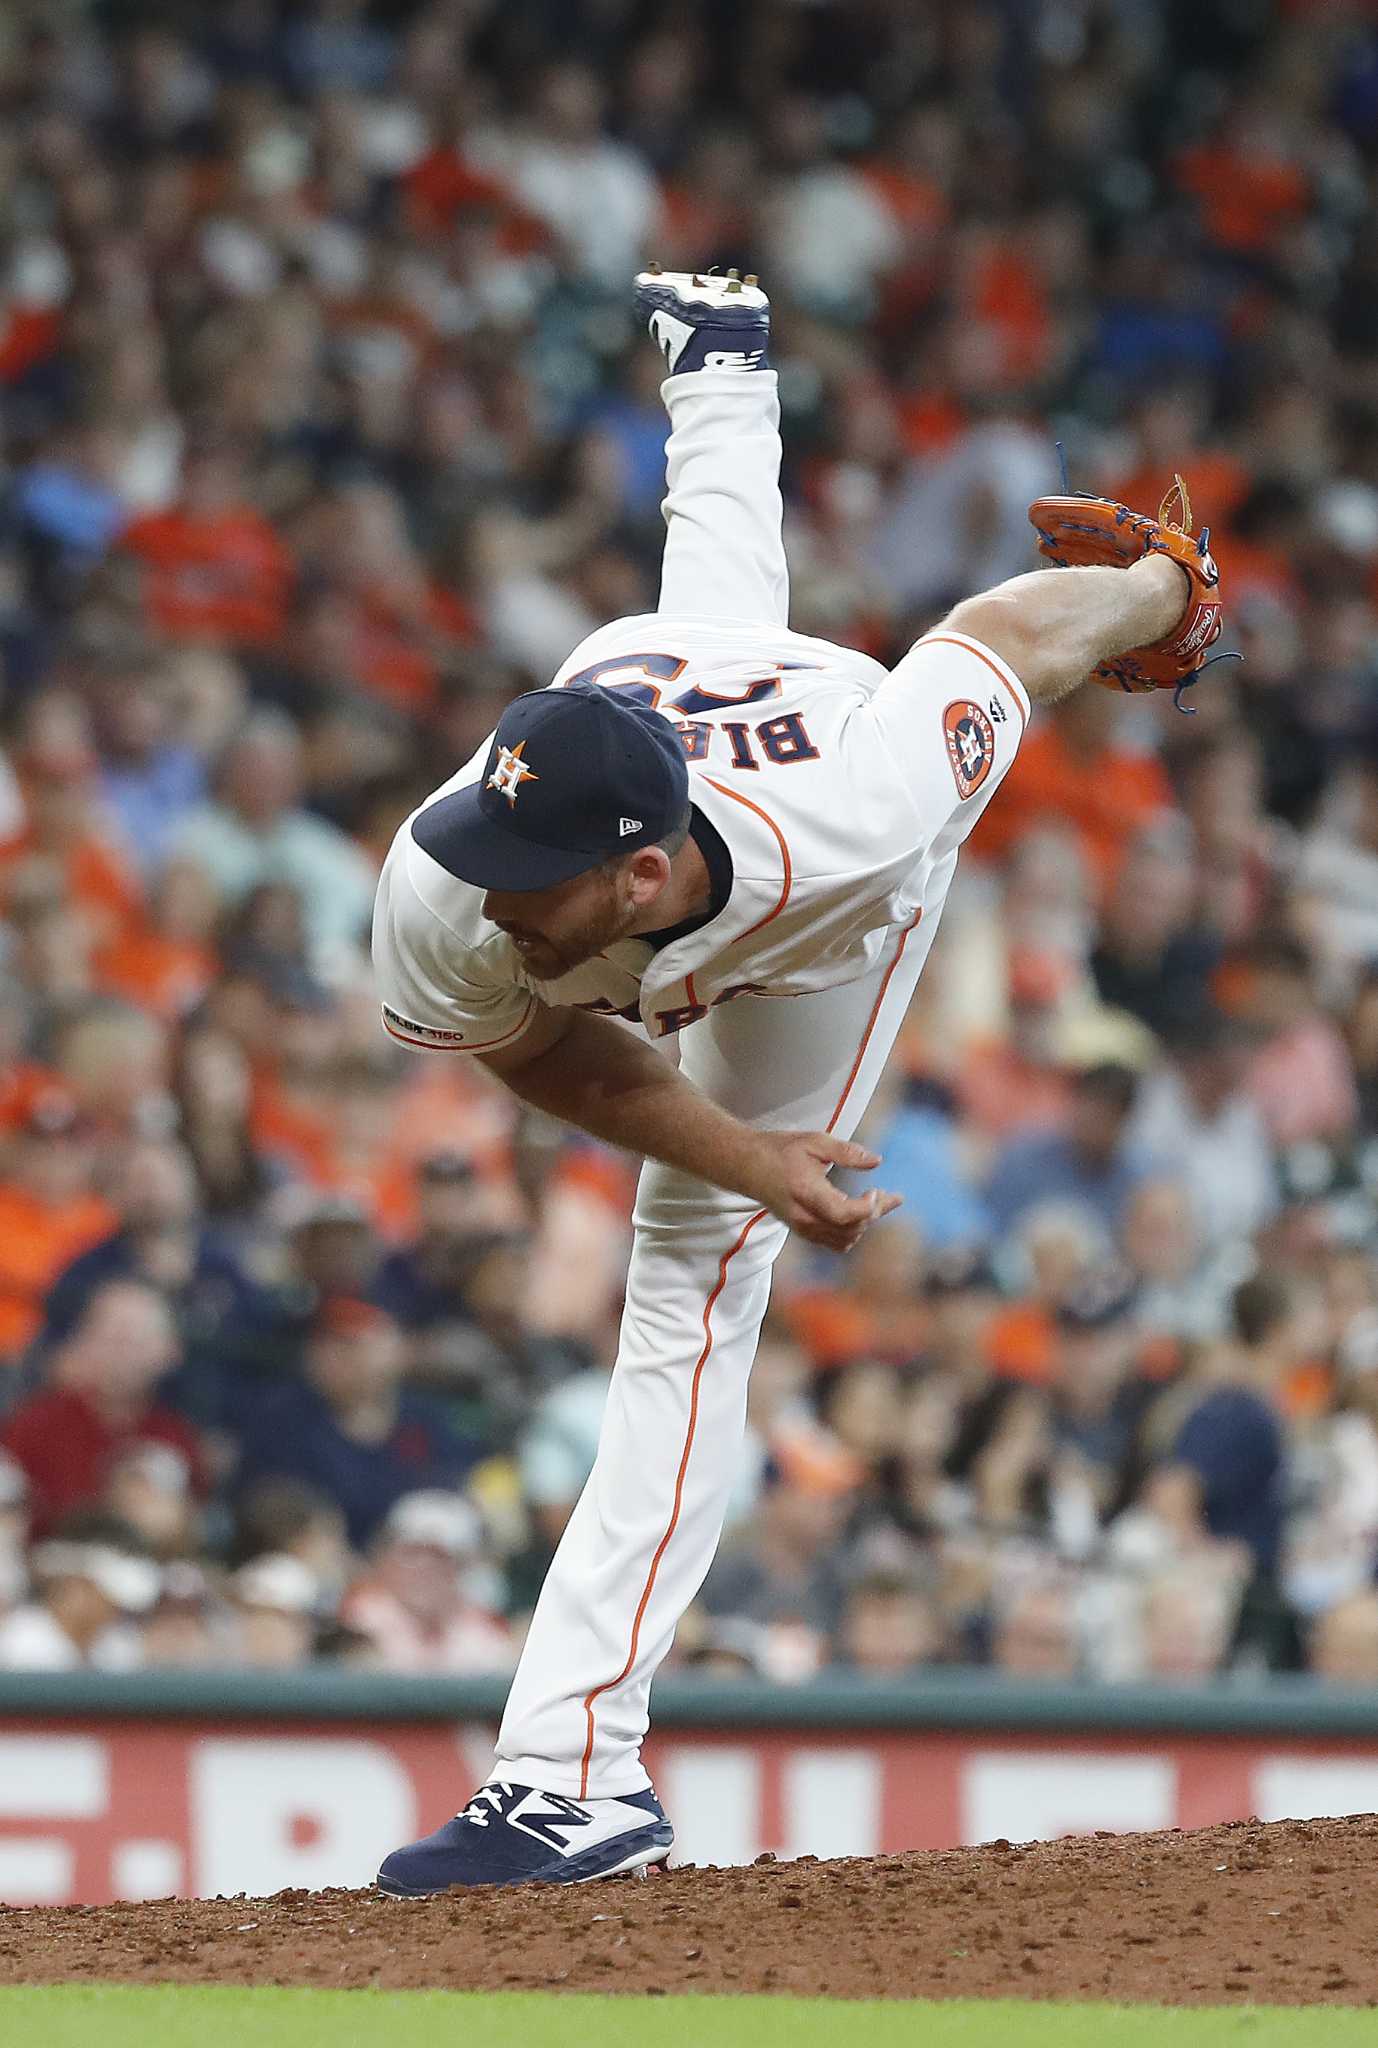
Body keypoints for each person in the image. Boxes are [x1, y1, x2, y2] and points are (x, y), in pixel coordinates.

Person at [370, 267, 1222, 1892]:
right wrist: (745, 1152)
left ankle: (569, 1779)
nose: (487, 892)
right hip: (662, 677)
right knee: (711, 606)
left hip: (819, 904)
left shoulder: (871, 811)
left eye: (523, 876)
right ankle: (723, 373)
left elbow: (988, 643)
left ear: (625, 881)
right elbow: (544, 1041)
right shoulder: (446, 878)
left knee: (687, 1284)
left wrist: (1148, 598)